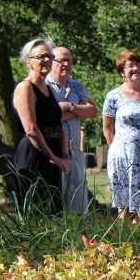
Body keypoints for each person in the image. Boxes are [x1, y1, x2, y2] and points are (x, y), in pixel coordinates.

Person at [12, 38, 69, 215]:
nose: (47, 60)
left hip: (53, 158)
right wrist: (54, 157)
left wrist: (65, 155)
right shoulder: (25, 87)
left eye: (50, 56)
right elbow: (31, 129)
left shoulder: (48, 89)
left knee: (54, 214)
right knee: (35, 216)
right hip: (33, 157)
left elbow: (59, 125)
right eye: (41, 57)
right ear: (29, 62)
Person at [103, 50, 140, 221]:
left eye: (137, 64)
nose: (135, 68)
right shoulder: (113, 96)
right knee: (125, 204)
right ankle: (124, 241)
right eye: (130, 66)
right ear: (122, 72)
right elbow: (107, 128)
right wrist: (117, 148)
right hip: (122, 157)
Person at [47, 46, 98, 214]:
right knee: (55, 207)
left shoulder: (77, 85)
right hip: (53, 155)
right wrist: (76, 112)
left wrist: (69, 106)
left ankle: (77, 240)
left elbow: (92, 111)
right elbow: (45, 118)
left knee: (77, 209)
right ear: (51, 62)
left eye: (69, 60)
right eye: (61, 60)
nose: (66, 64)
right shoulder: (44, 86)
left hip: (75, 154)